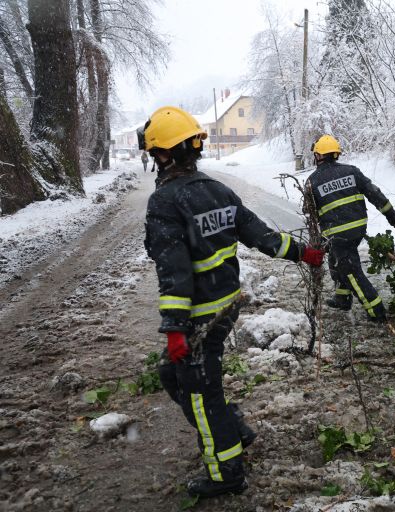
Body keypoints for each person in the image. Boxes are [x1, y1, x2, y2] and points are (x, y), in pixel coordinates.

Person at [138, 106, 324, 499]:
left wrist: (175, 328)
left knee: (201, 394)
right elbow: (263, 236)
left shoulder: (166, 202)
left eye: (155, 154)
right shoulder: (217, 189)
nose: (155, 161)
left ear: (166, 154)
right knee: (174, 377)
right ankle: (233, 429)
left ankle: (226, 472)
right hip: (227, 304)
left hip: (200, 317)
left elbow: (174, 273)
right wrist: (302, 252)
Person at [305, 135, 395, 322]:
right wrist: (390, 214)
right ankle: (342, 298)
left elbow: (309, 213)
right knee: (336, 260)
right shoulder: (352, 171)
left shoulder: (312, 181)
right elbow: (374, 193)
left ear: (319, 156)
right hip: (357, 231)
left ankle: (376, 311)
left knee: (352, 273)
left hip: (336, 235)